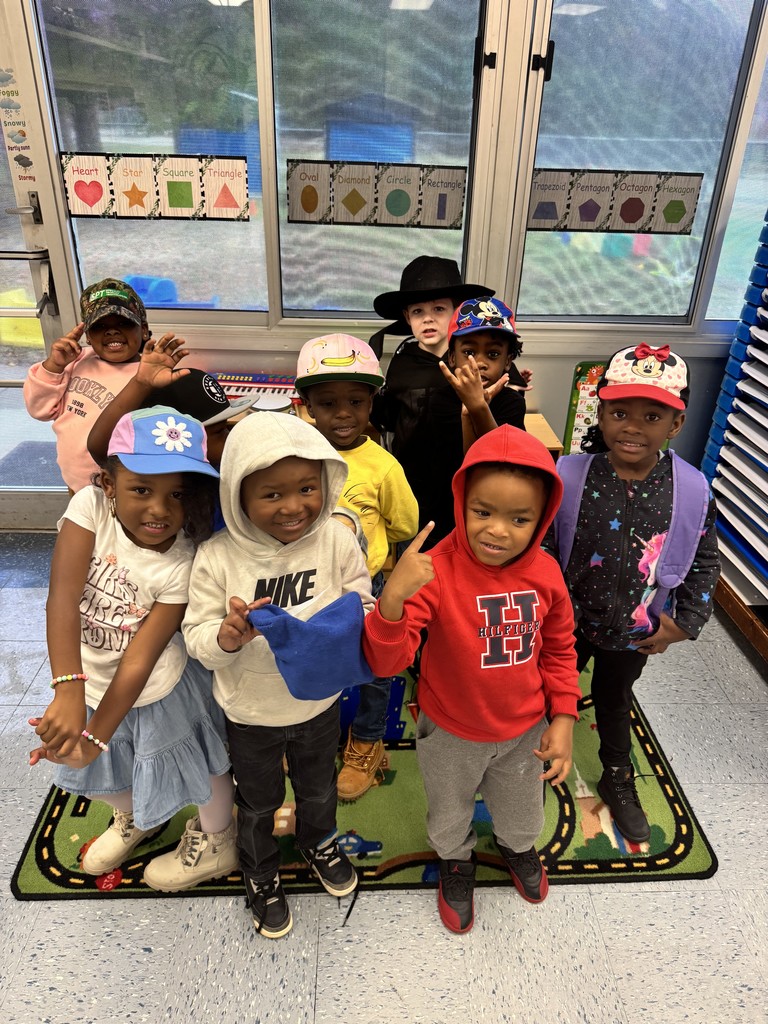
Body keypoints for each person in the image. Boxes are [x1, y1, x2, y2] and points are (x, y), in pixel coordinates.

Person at [362, 425, 581, 933]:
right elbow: (386, 663)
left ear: (542, 518)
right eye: (483, 511)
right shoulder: (433, 569)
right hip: (450, 731)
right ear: (462, 501)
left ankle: (517, 849)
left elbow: (559, 649)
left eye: (519, 518)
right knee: (448, 814)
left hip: (524, 731)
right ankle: (456, 863)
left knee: (524, 815)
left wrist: (565, 716)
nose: (497, 530)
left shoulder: (547, 573)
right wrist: (392, 598)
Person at [27, 406, 238, 892]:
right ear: (107, 484)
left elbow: (142, 658)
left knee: (201, 767)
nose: (160, 510)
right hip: (87, 677)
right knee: (110, 765)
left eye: (177, 495)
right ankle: (138, 818)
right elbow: (63, 595)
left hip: (159, 689)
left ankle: (219, 838)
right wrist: (68, 689)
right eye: (141, 489)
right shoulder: (89, 507)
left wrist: (94, 733)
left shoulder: (184, 560)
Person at [182, 411, 374, 939]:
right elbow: (197, 639)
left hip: (318, 703)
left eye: (308, 488)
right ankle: (260, 870)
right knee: (259, 800)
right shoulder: (217, 558)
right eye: (272, 495)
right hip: (250, 712)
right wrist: (226, 636)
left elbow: (362, 598)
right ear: (238, 497)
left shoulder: (335, 539)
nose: (294, 506)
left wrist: (348, 616)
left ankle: (318, 841)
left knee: (317, 789)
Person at [549, 343, 720, 844]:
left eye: (652, 415)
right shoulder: (568, 476)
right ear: (599, 414)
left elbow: (706, 559)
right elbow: (540, 548)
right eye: (619, 412)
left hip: (636, 627)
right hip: (566, 623)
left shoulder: (691, 489)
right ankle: (527, 756)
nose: (633, 426)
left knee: (614, 697)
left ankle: (617, 775)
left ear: (675, 423)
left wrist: (686, 622)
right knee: (548, 691)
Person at [295, 334, 419, 801]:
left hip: (369, 584)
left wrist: (382, 556)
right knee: (314, 660)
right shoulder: (297, 455)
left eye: (355, 401)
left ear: (372, 403)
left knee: (375, 667)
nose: (342, 413)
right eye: (327, 403)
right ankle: (308, 735)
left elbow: (404, 521)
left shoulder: (383, 467)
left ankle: (367, 740)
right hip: (310, 582)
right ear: (306, 404)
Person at [370, 256, 496, 510]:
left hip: (463, 472)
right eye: (418, 311)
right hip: (412, 478)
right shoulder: (401, 363)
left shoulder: (476, 358)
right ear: (407, 316)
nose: (428, 319)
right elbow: (389, 419)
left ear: (456, 312)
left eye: (438, 309)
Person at [420, 296, 528, 545]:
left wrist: (477, 408)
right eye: (468, 352)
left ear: (507, 362)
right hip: (445, 511)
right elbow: (466, 465)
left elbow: (502, 463)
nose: (479, 363)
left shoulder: (512, 403)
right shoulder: (439, 400)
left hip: (495, 516)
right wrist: (475, 407)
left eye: (492, 354)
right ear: (452, 358)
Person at [23, 278, 149, 491]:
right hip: (76, 484)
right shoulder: (76, 362)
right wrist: (53, 367)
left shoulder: (149, 375)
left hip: (128, 488)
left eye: (123, 322)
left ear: (143, 330)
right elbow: (39, 410)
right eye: (99, 326)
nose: (112, 331)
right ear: (88, 336)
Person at [86, 334, 253, 472]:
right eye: (219, 432)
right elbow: (100, 449)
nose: (230, 437)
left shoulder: (224, 467)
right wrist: (140, 383)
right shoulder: (150, 474)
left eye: (226, 428)